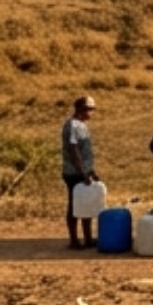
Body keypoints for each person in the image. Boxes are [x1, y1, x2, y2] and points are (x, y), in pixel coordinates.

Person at [61, 96, 99, 249]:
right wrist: (82, 173)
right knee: (75, 206)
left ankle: (88, 238)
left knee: (86, 204)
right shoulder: (72, 125)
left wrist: (91, 171)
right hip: (74, 173)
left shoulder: (83, 125)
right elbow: (74, 150)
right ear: (81, 110)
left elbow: (84, 152)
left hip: (84, 171)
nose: (91, 113)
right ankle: (74, 240)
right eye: (89, 110)